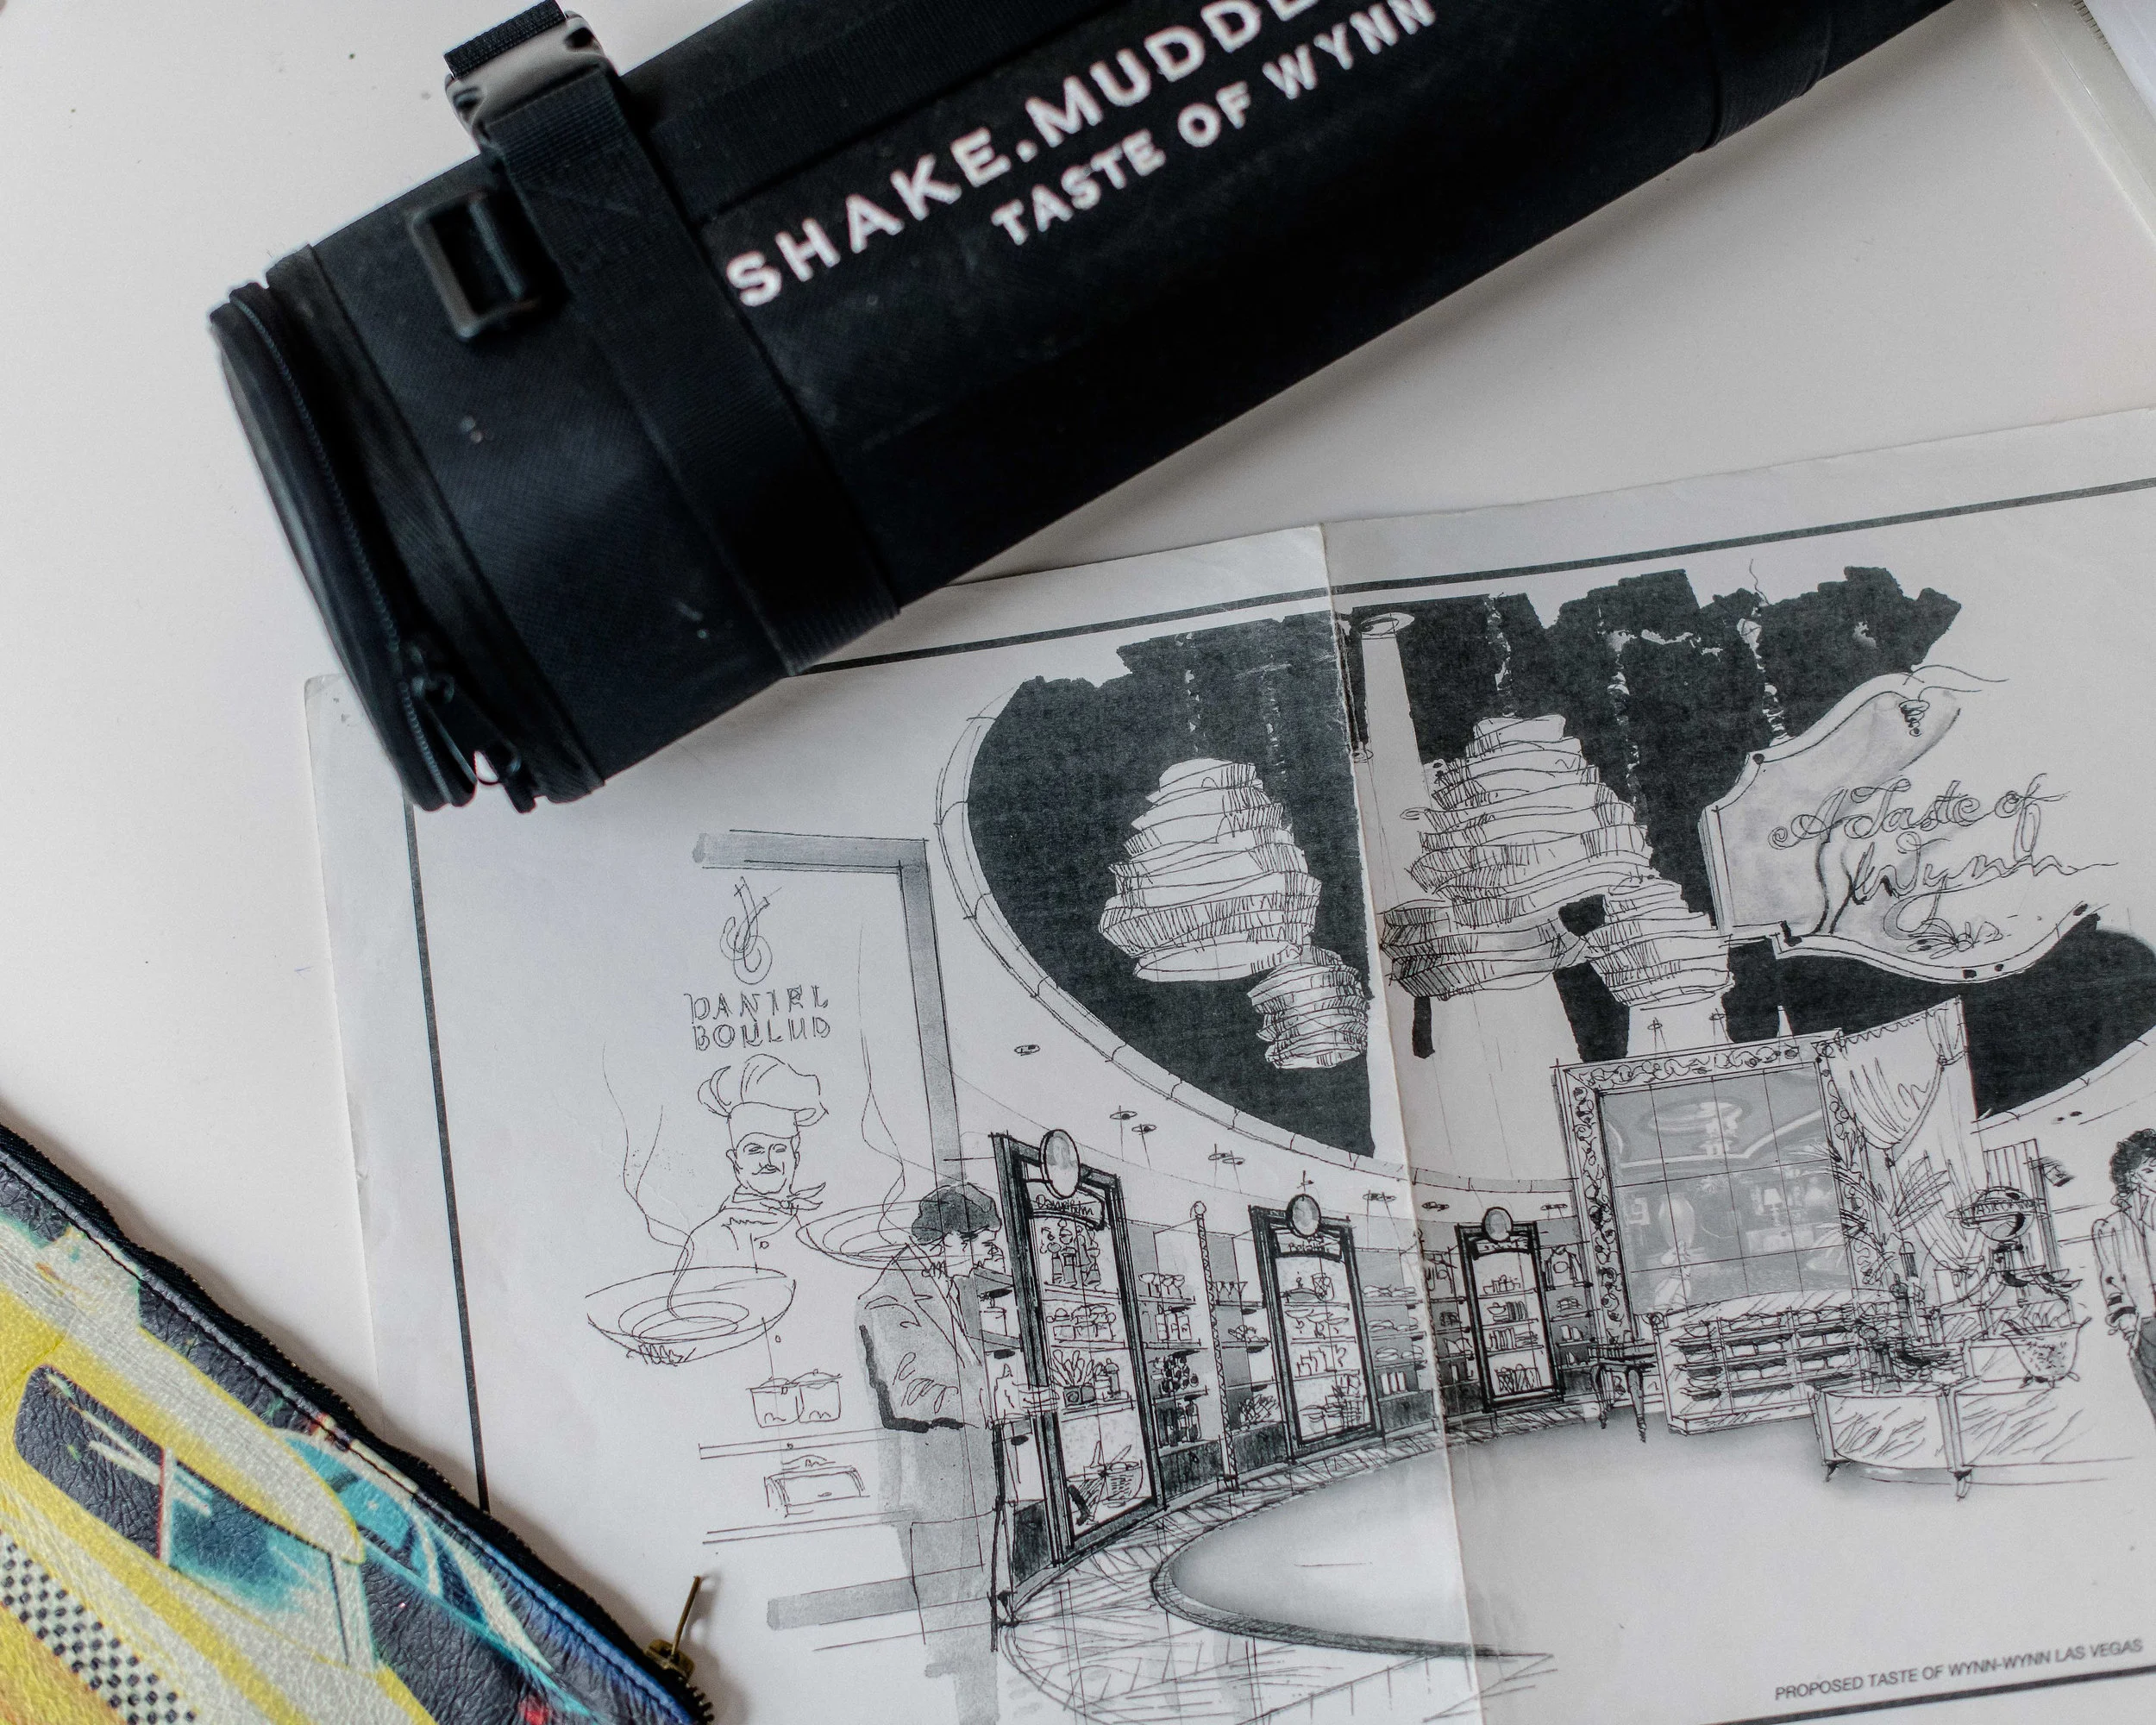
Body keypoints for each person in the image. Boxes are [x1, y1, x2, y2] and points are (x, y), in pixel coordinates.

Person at [690, 1055, 827, 1264]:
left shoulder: (810, 1221)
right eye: (755, 1150)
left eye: (779, 1149)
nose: (768, 1160)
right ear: (735, 1161)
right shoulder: (715, 1234)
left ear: (796, 1158)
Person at [2093, 1128, 2156, 1420]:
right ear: (2131, 1177)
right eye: (2150, 1169)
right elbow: (2112, 1282)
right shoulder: (2110, 1228)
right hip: (2146, 1324)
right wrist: (2128, 1325)